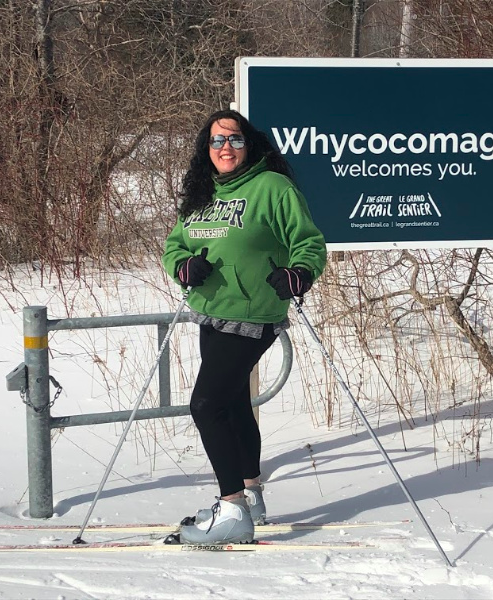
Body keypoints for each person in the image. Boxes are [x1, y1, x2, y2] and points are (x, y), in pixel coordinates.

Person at [162, 109, 327, 544]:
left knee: (206, 405)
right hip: (211, 309)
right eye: (216, 142)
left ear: (248, 144)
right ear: (206, 150)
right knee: (233, 403)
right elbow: (174, 245)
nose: (226, 149)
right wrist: (184, 266)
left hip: (252, 313)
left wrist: (299, 273)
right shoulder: (202, 192)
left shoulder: (272, 187)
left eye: (234, 139)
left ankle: (232, 509)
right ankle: (251, 494)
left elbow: (308, 241)